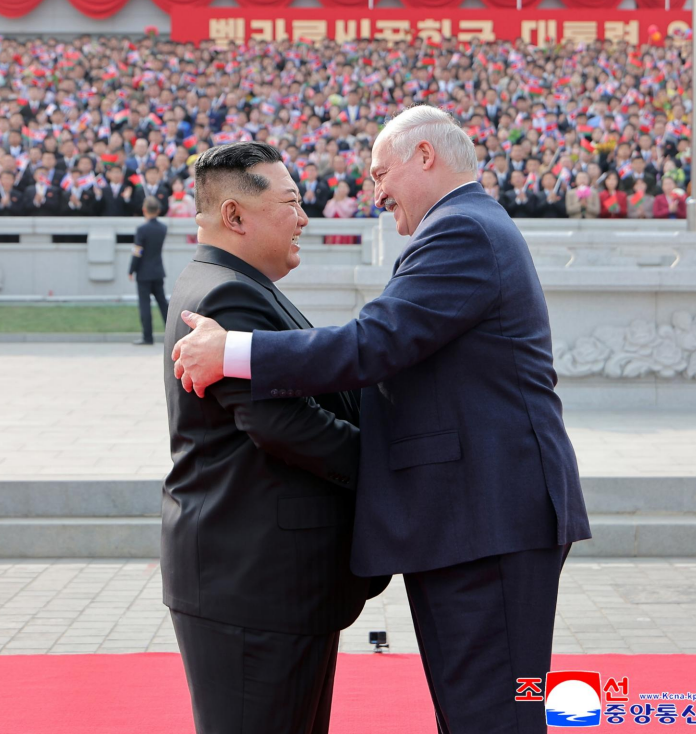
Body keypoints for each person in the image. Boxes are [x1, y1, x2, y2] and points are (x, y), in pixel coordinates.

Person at [172, 108, 591, 734]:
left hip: (488, 518)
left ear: (424, 155)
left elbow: (375, 342)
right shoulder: (466, 225)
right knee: (478, 711)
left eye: (379, 173)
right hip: (473, 519)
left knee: (495, 714)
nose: (376, 194)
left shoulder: (462, 230)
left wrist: (233, 351)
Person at [163, 142, 385, 734]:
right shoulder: (226, 295)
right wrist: (387, 468)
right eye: (291, 203)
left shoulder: (236, 283)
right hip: (255, 586)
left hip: (269, 583)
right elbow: (282, 423)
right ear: (234, 215)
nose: (304, 218)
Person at [128, 196, 169, 345]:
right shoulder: (163, 228)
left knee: (145, 305)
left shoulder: (142, 229)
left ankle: (147, 337)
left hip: (144, 273)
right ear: (158, 210)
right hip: (158, 270)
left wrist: (131, 269)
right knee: (163, 304)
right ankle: (173, 334)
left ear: (144, 210)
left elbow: (138, 251)